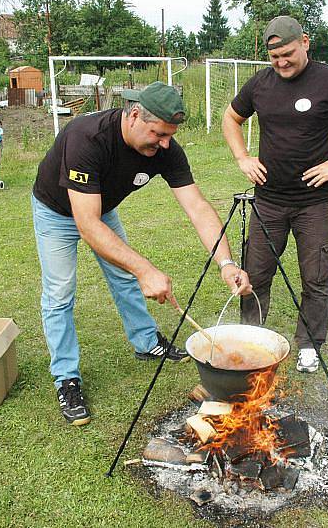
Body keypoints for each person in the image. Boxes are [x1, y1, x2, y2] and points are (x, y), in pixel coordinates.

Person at [32, 81, 252, 426]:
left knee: (123, 275)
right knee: (60, 294)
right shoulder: (86, 137)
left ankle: (146, 342)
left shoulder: (167, 148)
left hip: (100, 208)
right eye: (158, 134)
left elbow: (196, 207)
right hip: (56, 211)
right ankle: (66, 378)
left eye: (169, 136)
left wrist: (226, 263)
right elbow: (87, 226)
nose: (165, 143)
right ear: (134, 115)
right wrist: (145, 267)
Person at [222, 16, 328, 374]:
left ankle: (309, 345)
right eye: (274, 56)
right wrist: (242, 157)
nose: (281, 62)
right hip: (268, 201)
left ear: (305, 42)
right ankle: (253, 338)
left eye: (287, 53)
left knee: (315, 276)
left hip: (315, 204)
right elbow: (230, 118)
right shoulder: (261, 84)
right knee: (255, 273)